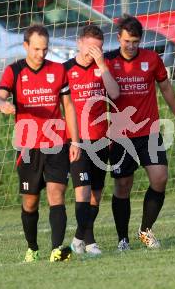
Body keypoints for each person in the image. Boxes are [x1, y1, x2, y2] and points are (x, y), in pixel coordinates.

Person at [0, 24, 81, 262]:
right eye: (36, 49)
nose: (40, 54)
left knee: (56, 194)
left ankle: (56, 249)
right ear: (25, 46)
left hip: (57, 143)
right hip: (28, 147)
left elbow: (69, 107)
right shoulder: (14, 71)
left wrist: (75, 141)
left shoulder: (58, 70)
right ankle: (32, 247)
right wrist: (2, 104)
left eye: (44, 49)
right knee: (30, 202)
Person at [104, 15, 175, 250]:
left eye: (135, 42)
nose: (131, 46)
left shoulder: (152, 59)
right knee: (123, 186)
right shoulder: (108, 62)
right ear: (119, 38)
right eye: (127, 41)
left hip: (149, 131)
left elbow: (166, 87)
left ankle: (145, 230)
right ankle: (122, 240)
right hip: (120, 135)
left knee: (160, 179)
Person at [64, 25, 120, 256]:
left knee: (96, 195)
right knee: (83, 193)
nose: (92, 53)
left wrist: (102, 65)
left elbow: (115, 94)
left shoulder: (102, 68)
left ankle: (78, 238)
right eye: (89, 48)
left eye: (98, 49)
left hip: (101, 140)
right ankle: (90, 243)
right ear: (79, 43)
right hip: (76, 141)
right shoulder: (65, 70)